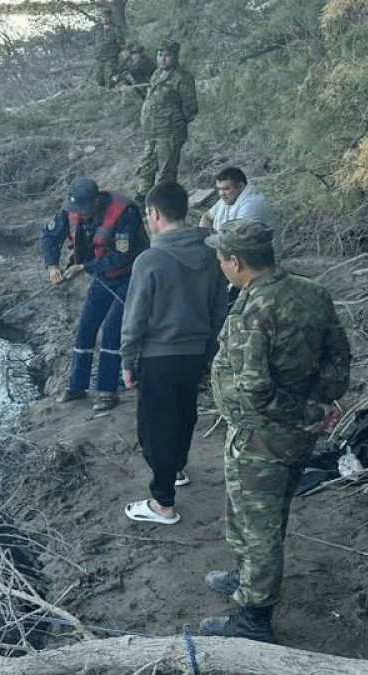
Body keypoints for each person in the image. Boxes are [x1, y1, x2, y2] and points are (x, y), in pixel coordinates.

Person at [197, 220, 351, 642]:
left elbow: (255, 388)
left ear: (235, 261)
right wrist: (317, 404)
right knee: (259, 513)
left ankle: (253, 620)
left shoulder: (254, 311)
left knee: (259, 523)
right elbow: (339, 360)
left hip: (262, 436)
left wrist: (299, 411)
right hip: (294, 434)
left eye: (221, 258)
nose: (220, 264)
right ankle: (248, 576)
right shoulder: (312, 293)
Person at [120, 182, 228, 525]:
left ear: (154, 214)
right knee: (183, 416)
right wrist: (211, 352)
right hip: (196, 353)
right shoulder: (211, 255)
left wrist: (127, 360)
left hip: (158, 356)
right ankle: (176, 469)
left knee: (154, 428)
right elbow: (219, 310)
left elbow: (134, 317)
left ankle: (163, 503)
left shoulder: (149, 260)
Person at [41, 177, 148, 411]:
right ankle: (77, 386)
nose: (80, 213)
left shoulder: (124, 214)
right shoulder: (70, 211)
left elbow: (122, 256)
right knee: (86, 326)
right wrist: (52, 266)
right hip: (102, 276)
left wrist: (84, 267)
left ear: (96, 201)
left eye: (84, 208)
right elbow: (49, 236)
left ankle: (107, 391)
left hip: (130, 276)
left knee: (111, 330)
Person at [136, 39, 199, 200]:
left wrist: (176, 124)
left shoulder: (182, 77)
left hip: (169, 133)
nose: (162, 59)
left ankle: (164, 207)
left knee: (165, 173)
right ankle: (143, 201)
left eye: (167, 55)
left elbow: (190, 107)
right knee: (146, 168)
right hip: (152, 132)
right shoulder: (157, 73)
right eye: (159, 55)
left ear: (175, 56)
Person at [200, 167, 281, 260]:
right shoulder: (228, 198)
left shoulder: (252, 204)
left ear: (241, 186)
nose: (222, 193)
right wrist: (203, 236)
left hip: (261, 263)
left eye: (226, 188)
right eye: (219, 189)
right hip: (238, 255)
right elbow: (206, 217)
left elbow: (238, 242)